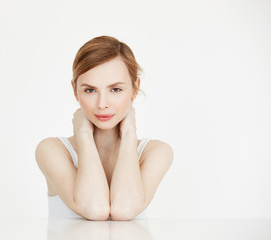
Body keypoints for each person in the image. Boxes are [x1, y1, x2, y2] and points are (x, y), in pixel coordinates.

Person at [35, 35, 173, 221]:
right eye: (90, 90)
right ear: (75, 90)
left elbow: (124, 209)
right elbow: (95, 208)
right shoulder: (52, 150)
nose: (102, 104)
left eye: (115, 89)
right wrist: (83, 134)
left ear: (135, 88)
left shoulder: (156, 152)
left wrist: (129, 134)